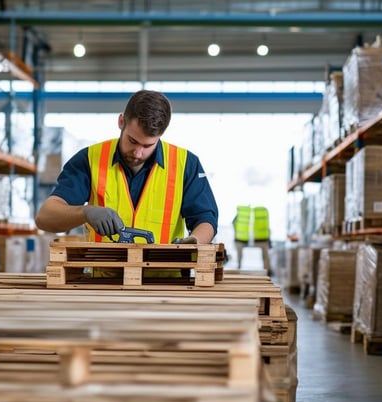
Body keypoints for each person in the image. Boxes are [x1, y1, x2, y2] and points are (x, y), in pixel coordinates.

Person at [35, 89, 218, 245]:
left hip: (165, 280)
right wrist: (85, 212)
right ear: (121, 122)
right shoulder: (89, 159)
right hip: (103, 280)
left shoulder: (185, 164)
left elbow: (206, 220)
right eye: (133, 141)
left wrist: (194, 242)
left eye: (147, 146)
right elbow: (44, 217)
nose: (137, 153)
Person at [233, 205, 271, 272]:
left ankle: (238, 268)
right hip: (261, 238)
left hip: (241, 238)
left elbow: (234, 224)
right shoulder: (263, 212)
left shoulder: (241, 214)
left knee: (239, 256)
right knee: (265, 256)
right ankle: (268, 270)